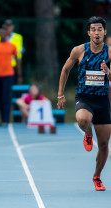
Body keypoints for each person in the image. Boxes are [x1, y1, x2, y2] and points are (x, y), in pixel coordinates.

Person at [57, 16, 111, 191]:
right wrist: (60, 95)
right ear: (89, 32)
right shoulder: (79, 50)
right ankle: (88, 132)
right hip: (84, 98)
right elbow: (65, 70)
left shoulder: (109, 52)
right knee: (83, 120)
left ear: (105, 32)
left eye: (100, 29)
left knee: (103, 145)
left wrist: (108, 72)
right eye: (93, 29)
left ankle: (97, 177)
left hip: (102, 100)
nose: (97, 32)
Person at [0, 27, 22, 126]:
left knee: (6, 97)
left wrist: (19, 75)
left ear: (7, 34)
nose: (2, 34)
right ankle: (2, 118)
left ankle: (6, 119)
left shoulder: (12, 46)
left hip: (8, 74)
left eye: (4, 33)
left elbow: (17, 60)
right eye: (0, 33)